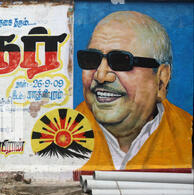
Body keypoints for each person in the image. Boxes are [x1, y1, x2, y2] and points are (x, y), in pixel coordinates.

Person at [76, 11, 192, 171]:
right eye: (91, 59)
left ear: (161, 79)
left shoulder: (188, 136)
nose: (101, 75)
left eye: (120, 61)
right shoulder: (59, 134)